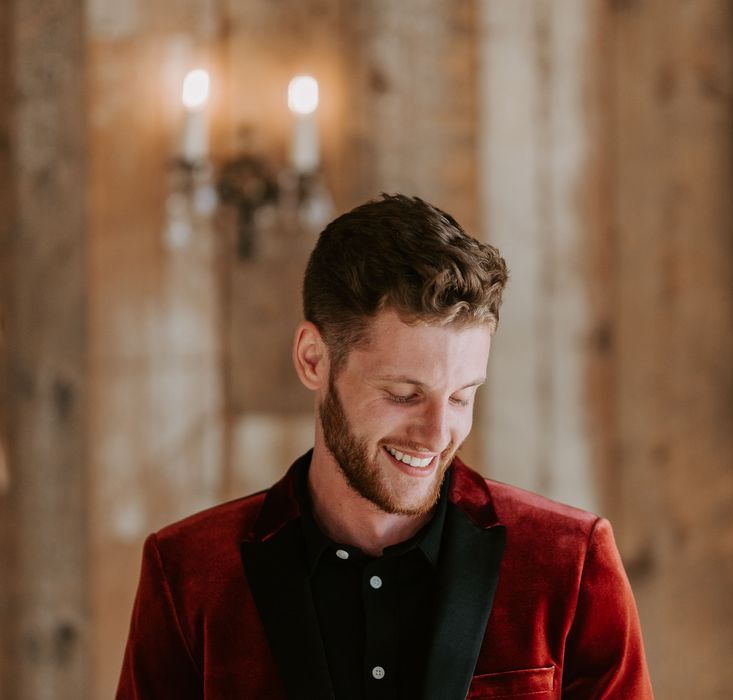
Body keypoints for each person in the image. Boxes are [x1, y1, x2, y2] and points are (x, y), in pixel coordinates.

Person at [116, 194, 653, 699]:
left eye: (463, 398)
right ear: (313, 359)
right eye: (404, 394)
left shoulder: (570, 562)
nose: (438, 432)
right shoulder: (187, 573)